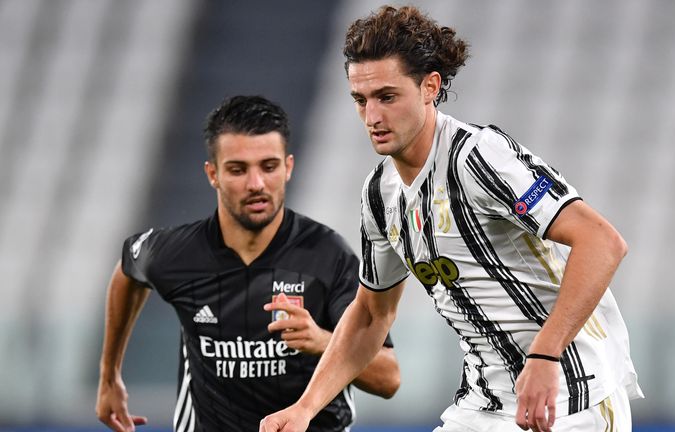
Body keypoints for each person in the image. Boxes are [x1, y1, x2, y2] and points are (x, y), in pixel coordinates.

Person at [259, 5, 643, 432]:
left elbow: (602, 241)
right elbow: (371, 314)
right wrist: (305, 408)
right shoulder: (379, 194)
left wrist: (544, 353)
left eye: (387, 97)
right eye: (360, 100)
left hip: (571, 398)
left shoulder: (478, 156)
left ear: (430, 86)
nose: (372, 117)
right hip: (484, 404)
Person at [95, 95, 401, 432]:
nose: (256, 184)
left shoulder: (328, 256)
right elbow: (129, 269)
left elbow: (389, 378)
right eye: (238, 169)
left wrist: (321, 341)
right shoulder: (175, 252)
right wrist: (109, 376)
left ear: (288, 167)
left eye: (268, 166)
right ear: (212, 173)